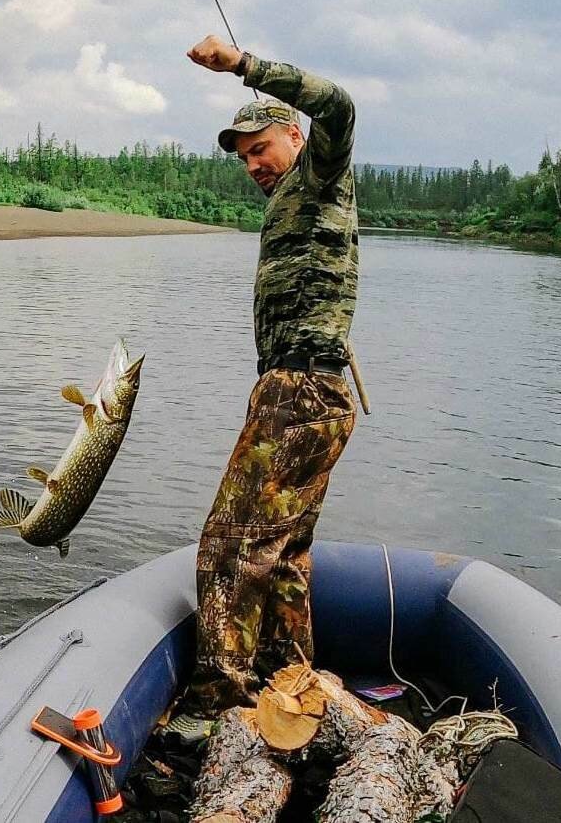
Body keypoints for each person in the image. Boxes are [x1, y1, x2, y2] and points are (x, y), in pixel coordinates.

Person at [168, 36, 361, 738]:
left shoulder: (320, 171)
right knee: (281, 556)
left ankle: (216, 704)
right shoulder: (292, 200)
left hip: (300, 393)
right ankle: (287, 690)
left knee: (228, 544)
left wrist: (242, 66)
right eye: (243, 156)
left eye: (261, 148)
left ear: (294, 135)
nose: (253, 163)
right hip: (297, 390)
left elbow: (338, 104)